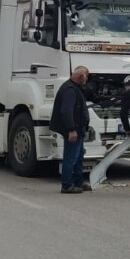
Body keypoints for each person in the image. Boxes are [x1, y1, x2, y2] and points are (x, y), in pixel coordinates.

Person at [50, 65, 93, 194]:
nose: (87, 80)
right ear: (81, 77)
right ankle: (67, 185)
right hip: (73, 129)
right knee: (71, 157)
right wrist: (71, 129)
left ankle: (78, 181)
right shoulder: (70, 90)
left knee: (78, 156)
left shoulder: (74, 88)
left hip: (78, 129)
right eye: (86, 77)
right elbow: (66, 111)